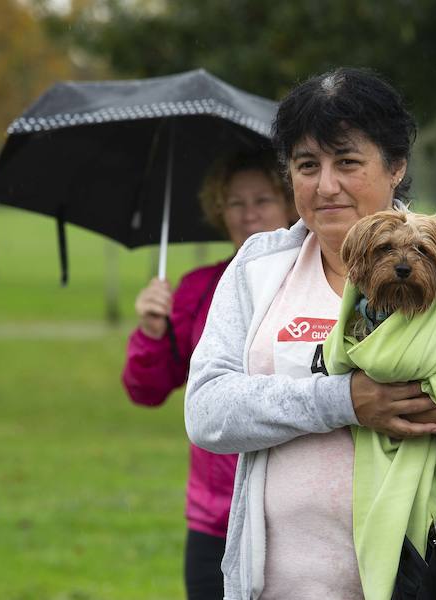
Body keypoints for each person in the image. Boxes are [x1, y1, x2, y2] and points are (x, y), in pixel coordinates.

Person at [185, 68, 436, 600]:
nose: (325, 185)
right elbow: (209, 411)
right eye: (307, 166)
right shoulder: (260, 270)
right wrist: (344, 401)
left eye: (348, 162)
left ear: (396, 167)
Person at [122, 149, 295, 600]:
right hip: (215, 516)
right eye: (235, 203)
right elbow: (147, 389)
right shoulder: (199, 288)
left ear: (290, 203)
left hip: (294, 513)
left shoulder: (318, 282)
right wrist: (150, 332)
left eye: (262, 199)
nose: (249, 214)